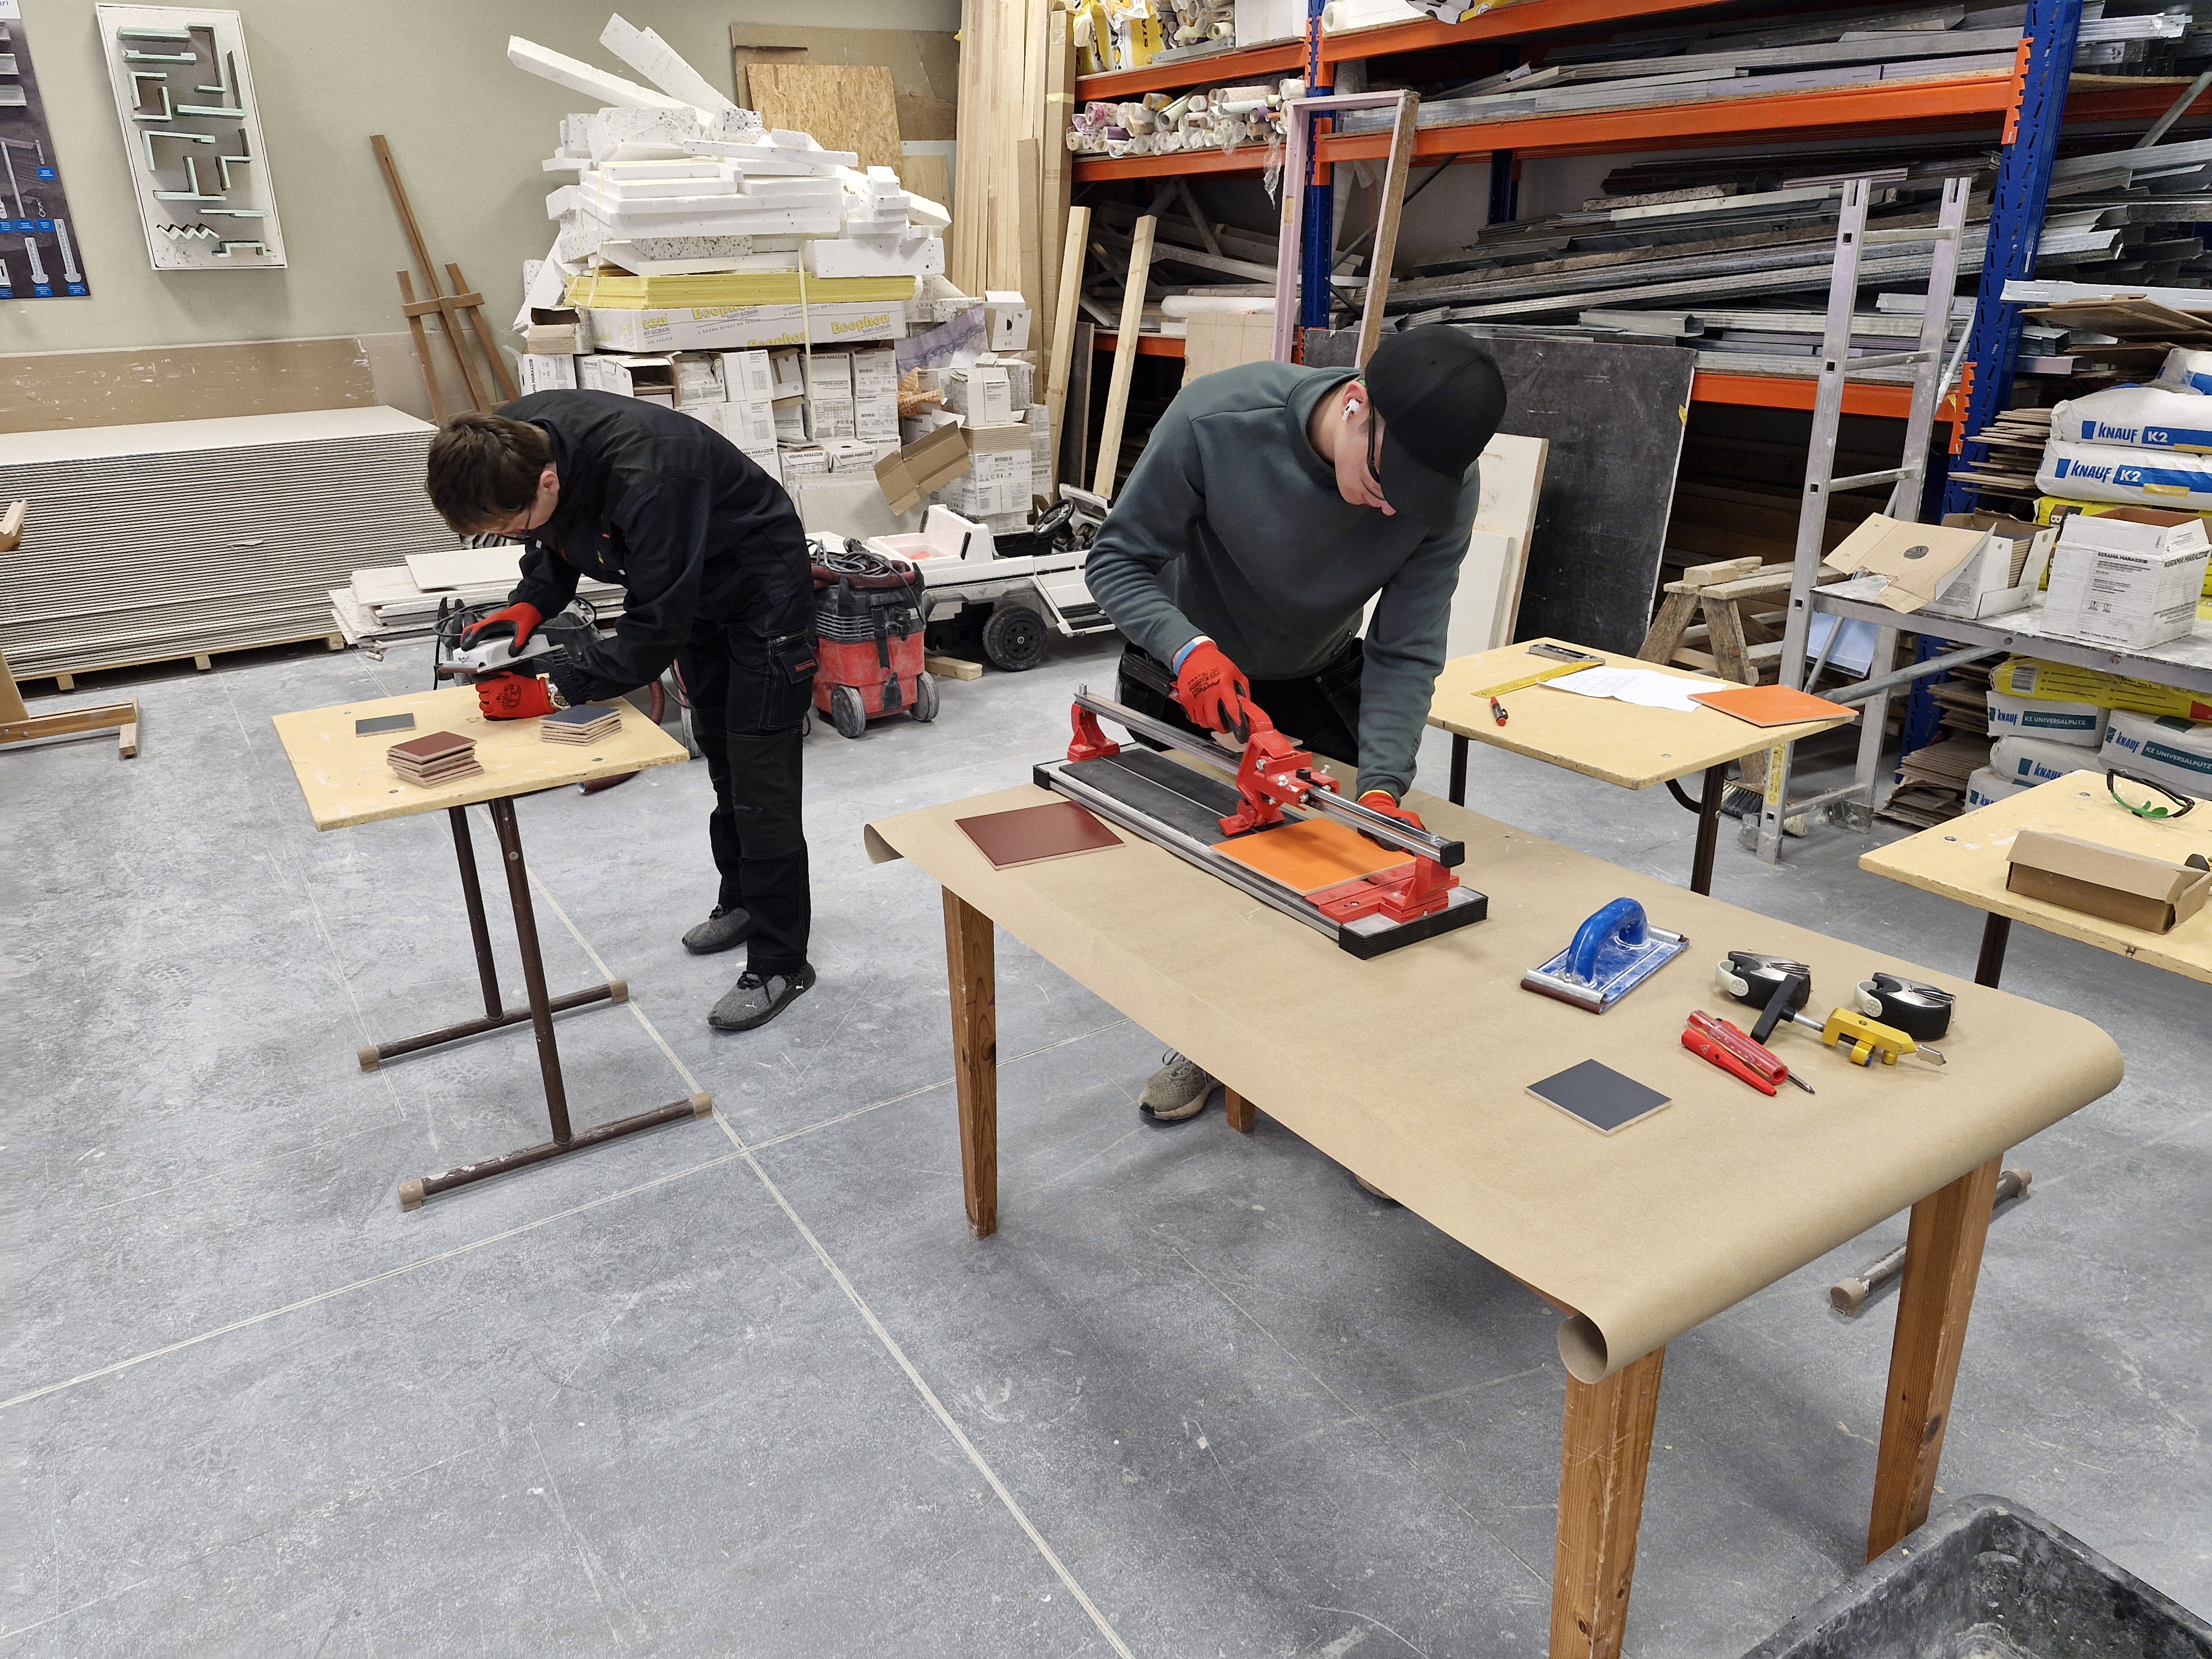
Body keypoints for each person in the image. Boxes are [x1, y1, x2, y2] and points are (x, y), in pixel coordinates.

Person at [1084, 325, 1506, 1123]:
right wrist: (1187, 651)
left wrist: (1381, 789)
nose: (1389, 506)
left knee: (1349, 879)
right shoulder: (1215, 421)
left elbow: (1406, 646)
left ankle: (1343, 1074)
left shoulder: (1438, 481)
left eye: (1411, 496)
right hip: (1189, 671)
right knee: (1210, 886)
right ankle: (1207, 1039)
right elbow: (1115, 560)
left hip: (1316, 673)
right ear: (1356, 406)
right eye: (1382, 479)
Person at [422, 391, 818, 1032]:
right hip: (689, 585)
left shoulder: (651, 475)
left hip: (761, 594)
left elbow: (654, 631)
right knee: (723, 755)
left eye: (515, 525)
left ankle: (781, 961)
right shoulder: (506, 440)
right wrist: (533, 600)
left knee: (760, 776)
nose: (518, 535)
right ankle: (745, 902)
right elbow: (552, 535)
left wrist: (554, 689)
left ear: (547, 480)